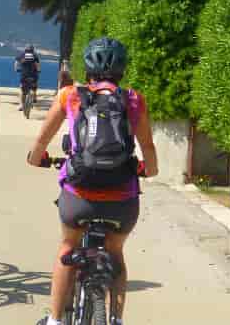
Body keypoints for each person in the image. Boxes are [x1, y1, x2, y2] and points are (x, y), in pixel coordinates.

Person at [26, 37, 158, 325]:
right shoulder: (133, 99)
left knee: (67, 247)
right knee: (116, 252)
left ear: (86, 69)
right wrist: (150, 170)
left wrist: (36, 158)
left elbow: (42, 138)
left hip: (79, 196)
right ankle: (116, 319)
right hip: (122, 199)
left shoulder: (69, 95)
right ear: (122, 70)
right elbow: (147, 148)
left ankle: (56, 320)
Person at [14, 44, 41, 110]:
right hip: (33, 75)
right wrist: (38, 70)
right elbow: (38, 65)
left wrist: (16, 69)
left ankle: (21, 105)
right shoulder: (35, 55)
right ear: (33, 49)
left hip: (24, 75)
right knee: (34, 86)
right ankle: (34, 97)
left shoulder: (21, 55)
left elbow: (16, 63)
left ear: (25, 49)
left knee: (22, 90)